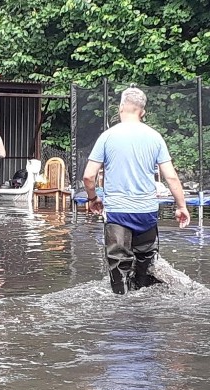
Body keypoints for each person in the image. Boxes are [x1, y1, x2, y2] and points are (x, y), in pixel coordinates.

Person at [82, 87, 191, 294]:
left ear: (121, 107)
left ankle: (122, 307)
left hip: (118, 214)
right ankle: (143, 312)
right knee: (146, 267)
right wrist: (182, 206)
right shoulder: (155, 137)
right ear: (143, 112)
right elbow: (171, 177)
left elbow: (88, 176)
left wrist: (93, 198)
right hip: (146, 213)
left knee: (119, 269)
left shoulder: (107, 136)